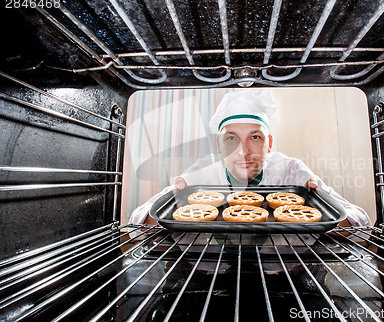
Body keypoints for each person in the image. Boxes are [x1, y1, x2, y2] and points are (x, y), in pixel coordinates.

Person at [129, 89, 371, 229]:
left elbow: (362, 221)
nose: (244, 151)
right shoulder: (200, 176)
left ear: (270, 144)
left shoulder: (293, 171)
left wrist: (319, 205)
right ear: (219, 146)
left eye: (255, 137)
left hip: (287, 270)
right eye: (231, 139)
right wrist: (172, 201)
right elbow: (137, 224)